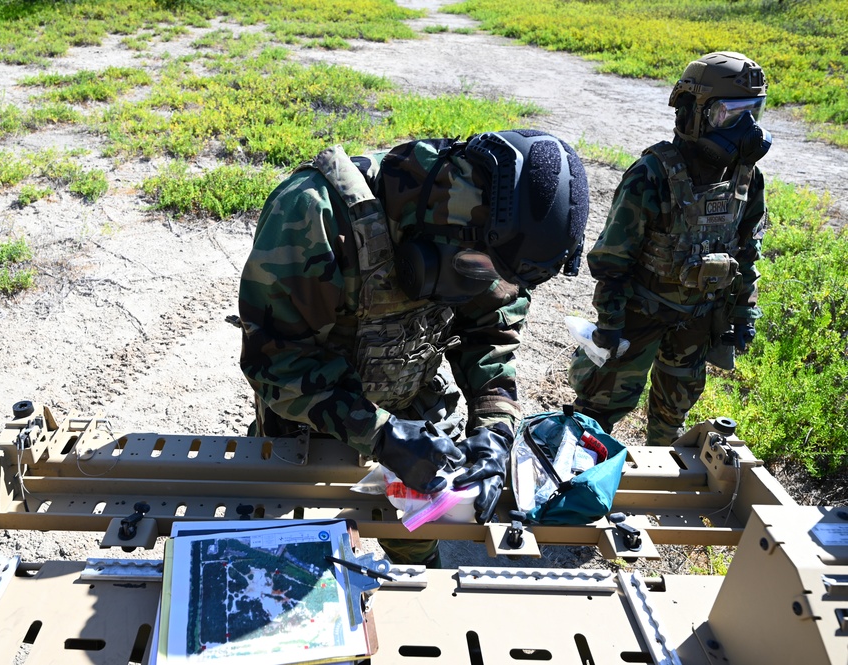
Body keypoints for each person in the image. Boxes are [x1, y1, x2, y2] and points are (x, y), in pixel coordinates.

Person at [239, 129, 589, 566]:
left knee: (417, 547)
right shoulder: (315, 213)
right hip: (306, 422)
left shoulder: (493, 246)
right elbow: (276, 363)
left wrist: (495, 430)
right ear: (450, 220)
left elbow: (490, 338)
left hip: (412, 406)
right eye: (474, 269)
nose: (485, 283)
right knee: (277, 556)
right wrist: (380, 434)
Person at [569, 51, 770, 446]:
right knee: (600, 406)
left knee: (674, 408)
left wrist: (744, 312)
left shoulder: (747, 178)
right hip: (639, 312)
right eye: (730, 113)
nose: (744, 127)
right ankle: (574, 480)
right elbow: (613, 260)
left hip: (698, 316)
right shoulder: (653, 174)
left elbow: (747, 252)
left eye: (753, 112)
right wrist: (609, 325)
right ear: (693, 112)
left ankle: (664, 469)